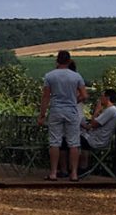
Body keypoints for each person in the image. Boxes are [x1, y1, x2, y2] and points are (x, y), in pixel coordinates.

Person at [38, 49, 89, 181]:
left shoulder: (50, 76)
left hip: (56, 110)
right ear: (69, 60)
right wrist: (73, 101)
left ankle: (54, 172)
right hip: (71, 111)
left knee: (55, 142)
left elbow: (45, 96)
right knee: (73, 143)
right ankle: (74, 174)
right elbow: (84, 95)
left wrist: (42, 115)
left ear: (57, 60)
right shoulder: (76, 76)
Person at [82, 89, 116, 169]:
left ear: (108, 97)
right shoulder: (109, 110)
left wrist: (96, 111)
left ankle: (83, 167)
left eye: (102, 96)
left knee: (74, 141)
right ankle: (81, 166)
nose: (100, 99)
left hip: (98, 140)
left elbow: (94, 124)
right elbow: (94, 125)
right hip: (95, 137)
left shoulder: (111, 110)